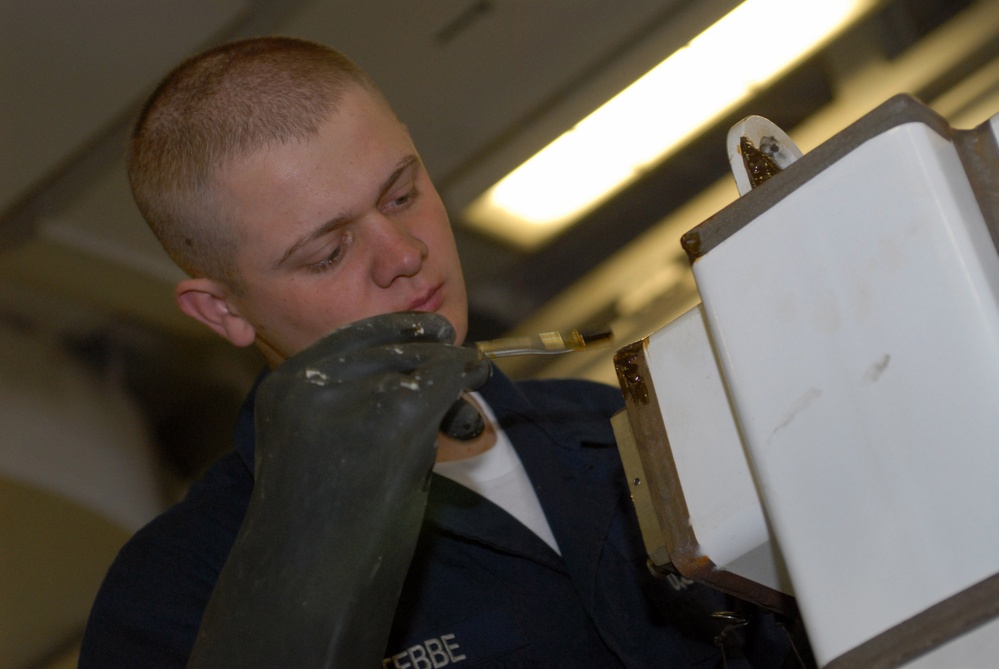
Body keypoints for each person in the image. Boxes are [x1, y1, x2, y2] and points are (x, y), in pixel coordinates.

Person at [79, 36, 809, 668]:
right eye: (329, 251)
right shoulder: (177, 592)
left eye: (401, 195)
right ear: (222, 308)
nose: (404, 253)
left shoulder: (627, 431)